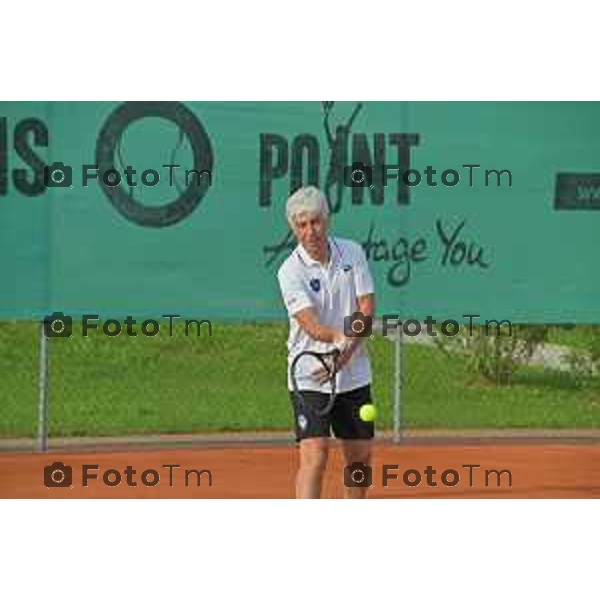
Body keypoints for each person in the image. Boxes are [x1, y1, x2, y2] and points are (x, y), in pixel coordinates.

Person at [277, 186, 376, 499]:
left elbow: (366, 308)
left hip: (355, 374)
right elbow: (309, 323)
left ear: (327, 220)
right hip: (310, 374)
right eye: (302, 224)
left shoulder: (353, 252)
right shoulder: (289, 271)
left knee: (359, 460)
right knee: (315, 455)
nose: (310, 231)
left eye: (316, 222)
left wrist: (345, 352)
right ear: (294, 227)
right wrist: (336, 339)